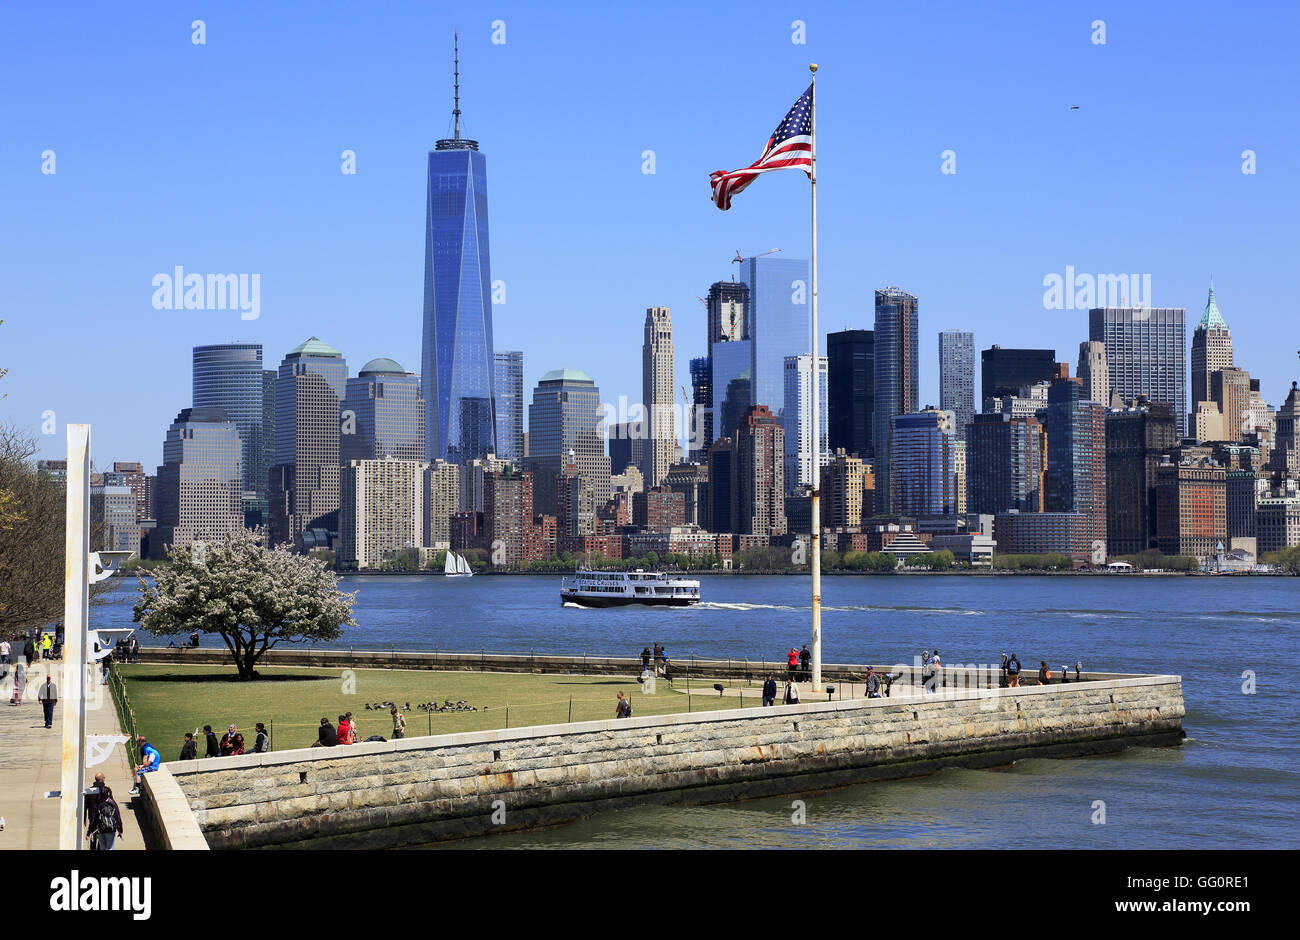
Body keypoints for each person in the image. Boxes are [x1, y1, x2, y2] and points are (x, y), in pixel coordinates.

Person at [86, 784, 123, 851]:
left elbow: (93, 820)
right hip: (110, 829)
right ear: (108, 793)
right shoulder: (112, 803)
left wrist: (89, 832)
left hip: (101, 829)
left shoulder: (97, 805)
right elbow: (117, 817)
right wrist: (120, 829)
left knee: (103, 848)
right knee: (110, 848)